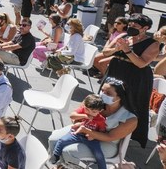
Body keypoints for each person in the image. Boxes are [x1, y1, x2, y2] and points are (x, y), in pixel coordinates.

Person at [48, 78, 137, 167]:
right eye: (102, 90)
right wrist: (78, 121)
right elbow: (75, 115)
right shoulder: (93, 100)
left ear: (120, 97)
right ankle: (59, 165)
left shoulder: (130, 119)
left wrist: (87, 131)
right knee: (53, 140)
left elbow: (109, 137)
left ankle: (66, 165)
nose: (102, 94)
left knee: (68, 151)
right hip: (82, 129)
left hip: (106, 142)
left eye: (108, 93)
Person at [102, 13, 159, 147]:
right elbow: (105, 52)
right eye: (131, 24)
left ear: (145, 28)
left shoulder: (153, 44)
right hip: (116, 71)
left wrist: (127, 50)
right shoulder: (124, 36)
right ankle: (104, 126)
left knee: (131, 104)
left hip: (136, 77)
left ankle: (128, 133)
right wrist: (115, 49)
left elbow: (141, 63)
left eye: (136, 25)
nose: (131, 26)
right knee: (108, 99)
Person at [49, 94, 107, 169]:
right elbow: (72, 116)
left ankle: (102, 167)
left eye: (93, 111)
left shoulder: (101, 120)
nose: (89, 112)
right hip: (77, 134)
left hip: (90, 138)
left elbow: (102, 131)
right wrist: (84, 116)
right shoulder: (83, 111)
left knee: (98, 153)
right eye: (87, 109)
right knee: (62, 140)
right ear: (84, 106)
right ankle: (56, 155)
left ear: (100, 111)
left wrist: (93, 136)